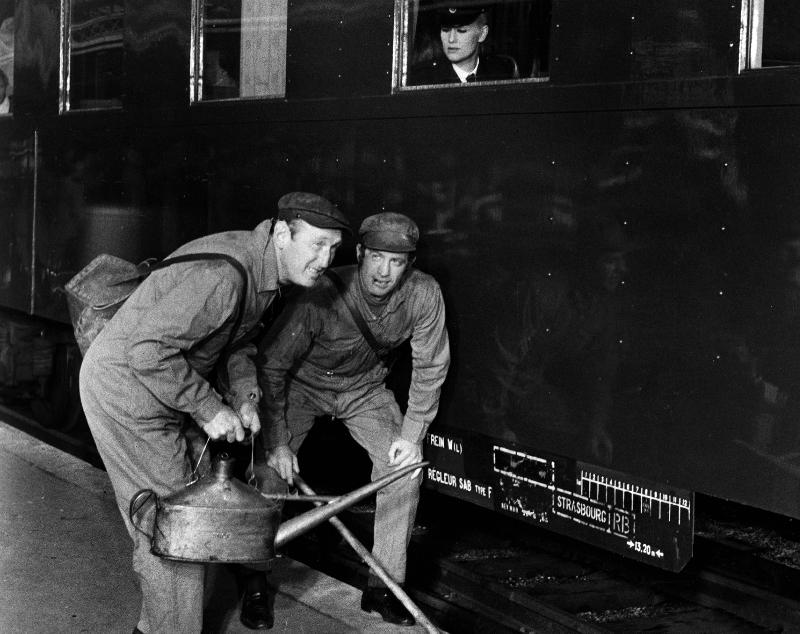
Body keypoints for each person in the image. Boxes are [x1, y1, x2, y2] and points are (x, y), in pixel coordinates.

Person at [79, 192, 350, 634]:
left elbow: (234, 339)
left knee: (199, 512)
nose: (324, 259)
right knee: (173, 527)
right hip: (128, 391)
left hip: (165, 387)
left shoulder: (262, 271)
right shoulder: (226, 275)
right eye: (317, 244)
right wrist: (208, 410)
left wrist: (244, 395)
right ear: (282, 233)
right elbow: (148, 351)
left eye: (333, 249)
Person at [257, 212, 450, 626]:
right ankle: (255, 577)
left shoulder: (424, 294)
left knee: (404, 469)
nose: (384, 272)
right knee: (270, 472)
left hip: (363, 389)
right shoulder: (321, 292)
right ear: (360, 253)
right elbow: (272, 366)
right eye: (377, 257)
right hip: (302, 386)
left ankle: (384, 586)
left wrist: (412, 435)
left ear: (410, 264)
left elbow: (431, 366)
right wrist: (276, 441)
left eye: (397, 262)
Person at [408, 6, 517, 86]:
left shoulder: (501, 72)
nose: (451, 39)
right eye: (445, 30)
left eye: (461, 31)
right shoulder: (423, 79)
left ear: (482, 34)